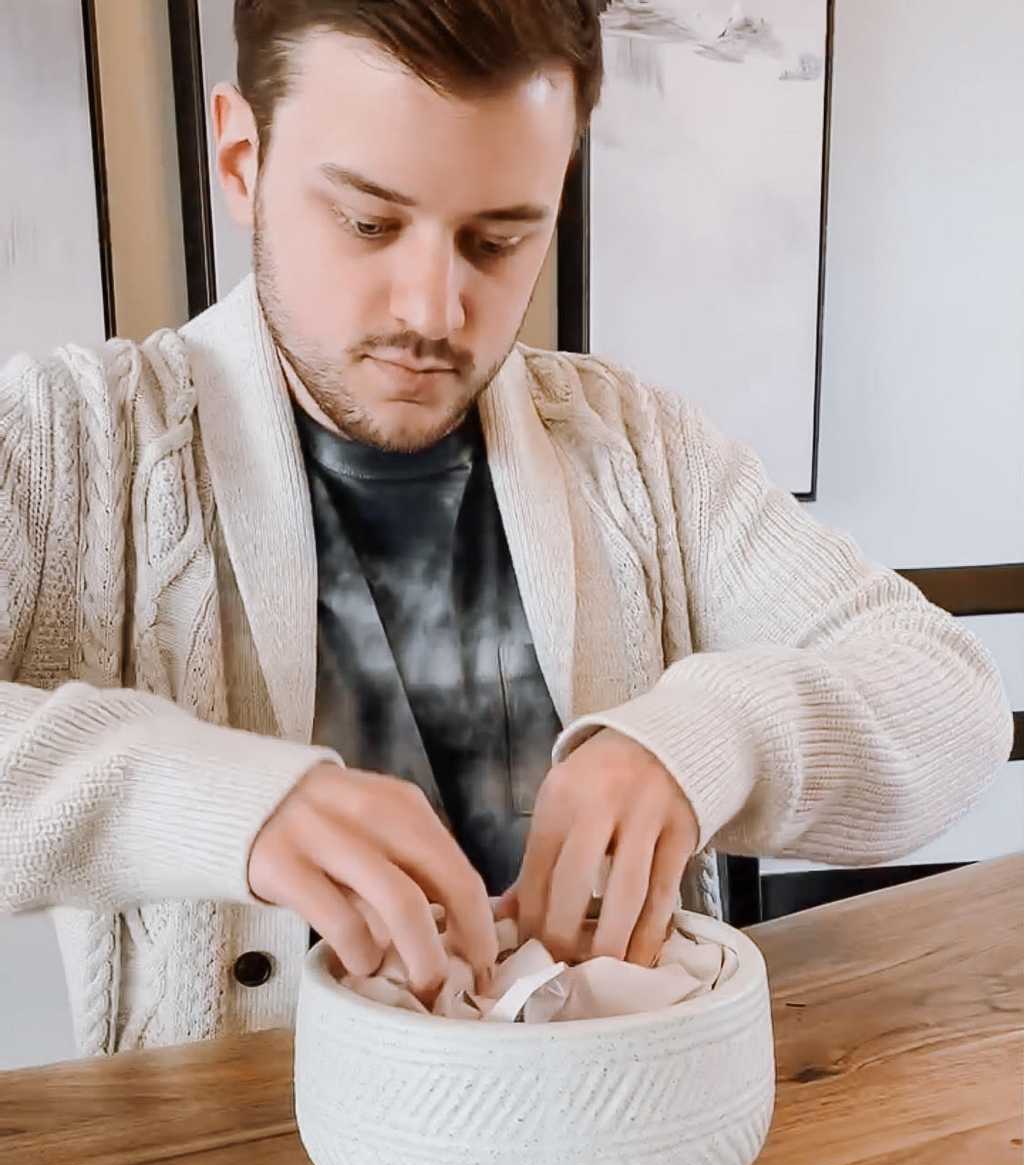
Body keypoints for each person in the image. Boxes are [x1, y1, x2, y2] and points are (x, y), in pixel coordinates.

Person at [0, 0, 1011, 1060]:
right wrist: (214, 800)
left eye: (499, 237)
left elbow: (952, 702)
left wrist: (713, 738)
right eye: (369, 224)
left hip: (630, 1146)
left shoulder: (643, 448)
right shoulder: (74, 442)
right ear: (242, 157)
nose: (435, 309)